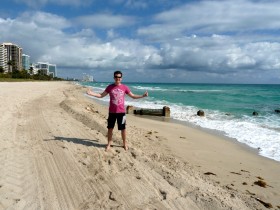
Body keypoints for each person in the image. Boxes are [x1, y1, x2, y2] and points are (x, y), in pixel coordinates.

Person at [86, 70, 148, 151]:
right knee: (110, 128)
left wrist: (142, 96)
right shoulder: (110, 87)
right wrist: (91, 93)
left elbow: (132, 96)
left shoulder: (125, 87)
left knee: (123, 129)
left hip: (121, 113)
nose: (117, 78)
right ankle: (109, 143)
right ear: (114, 77)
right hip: (112, 112)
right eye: (116, 77)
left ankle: (125, 143)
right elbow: (101, 95)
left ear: (121, 78)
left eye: (119, 77)